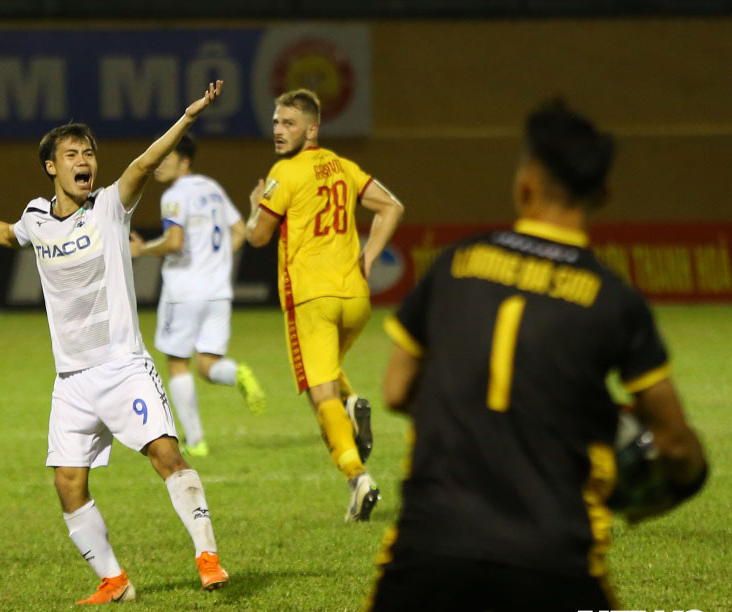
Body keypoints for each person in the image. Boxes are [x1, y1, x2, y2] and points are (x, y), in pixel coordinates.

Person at [368, 99, 709, 611]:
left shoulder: (455, 263)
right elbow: (675, 445)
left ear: (525, 184)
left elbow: (396, 390)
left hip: (430, 549)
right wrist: (686, 476)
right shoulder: (613, 299)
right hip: (551, 559)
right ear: (604, 195)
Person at [0, 81, 231, 605]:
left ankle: (207, 556)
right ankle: (114, 581)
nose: (84, 162)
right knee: (67, 483)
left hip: (123, 366)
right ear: (51, 167)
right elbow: (5, 234)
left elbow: (145, 164)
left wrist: (188, 117)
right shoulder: (36, 217)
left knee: (166, 455)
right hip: (72, 380)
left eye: (89, 154)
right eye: (72, 155)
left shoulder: (110, 206)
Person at [244, 88, 405, 522]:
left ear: (311, 129)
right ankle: (351, 405)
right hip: (356, 299)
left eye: (289, 124)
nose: (279, 131)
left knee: (321, 396)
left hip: (312, 300)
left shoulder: (284, 172)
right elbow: (392, 207)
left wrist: (255, 206)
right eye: (276, 123)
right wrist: (368, 258)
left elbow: (258, 236)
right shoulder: (343, 166)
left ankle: (358, 479)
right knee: (329, 376)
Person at [130, 133, 266, 458]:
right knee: (208, 365)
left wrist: (142, 250)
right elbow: (241, 232)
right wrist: (217, 263)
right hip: (218, 293)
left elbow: (174, 242)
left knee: (178, 363)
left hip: (184, 292)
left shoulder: (175, 195)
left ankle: (196, 441)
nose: (159, 163)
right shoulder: (212, 188)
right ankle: (237, 373)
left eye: (167, 156)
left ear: (185, 161)